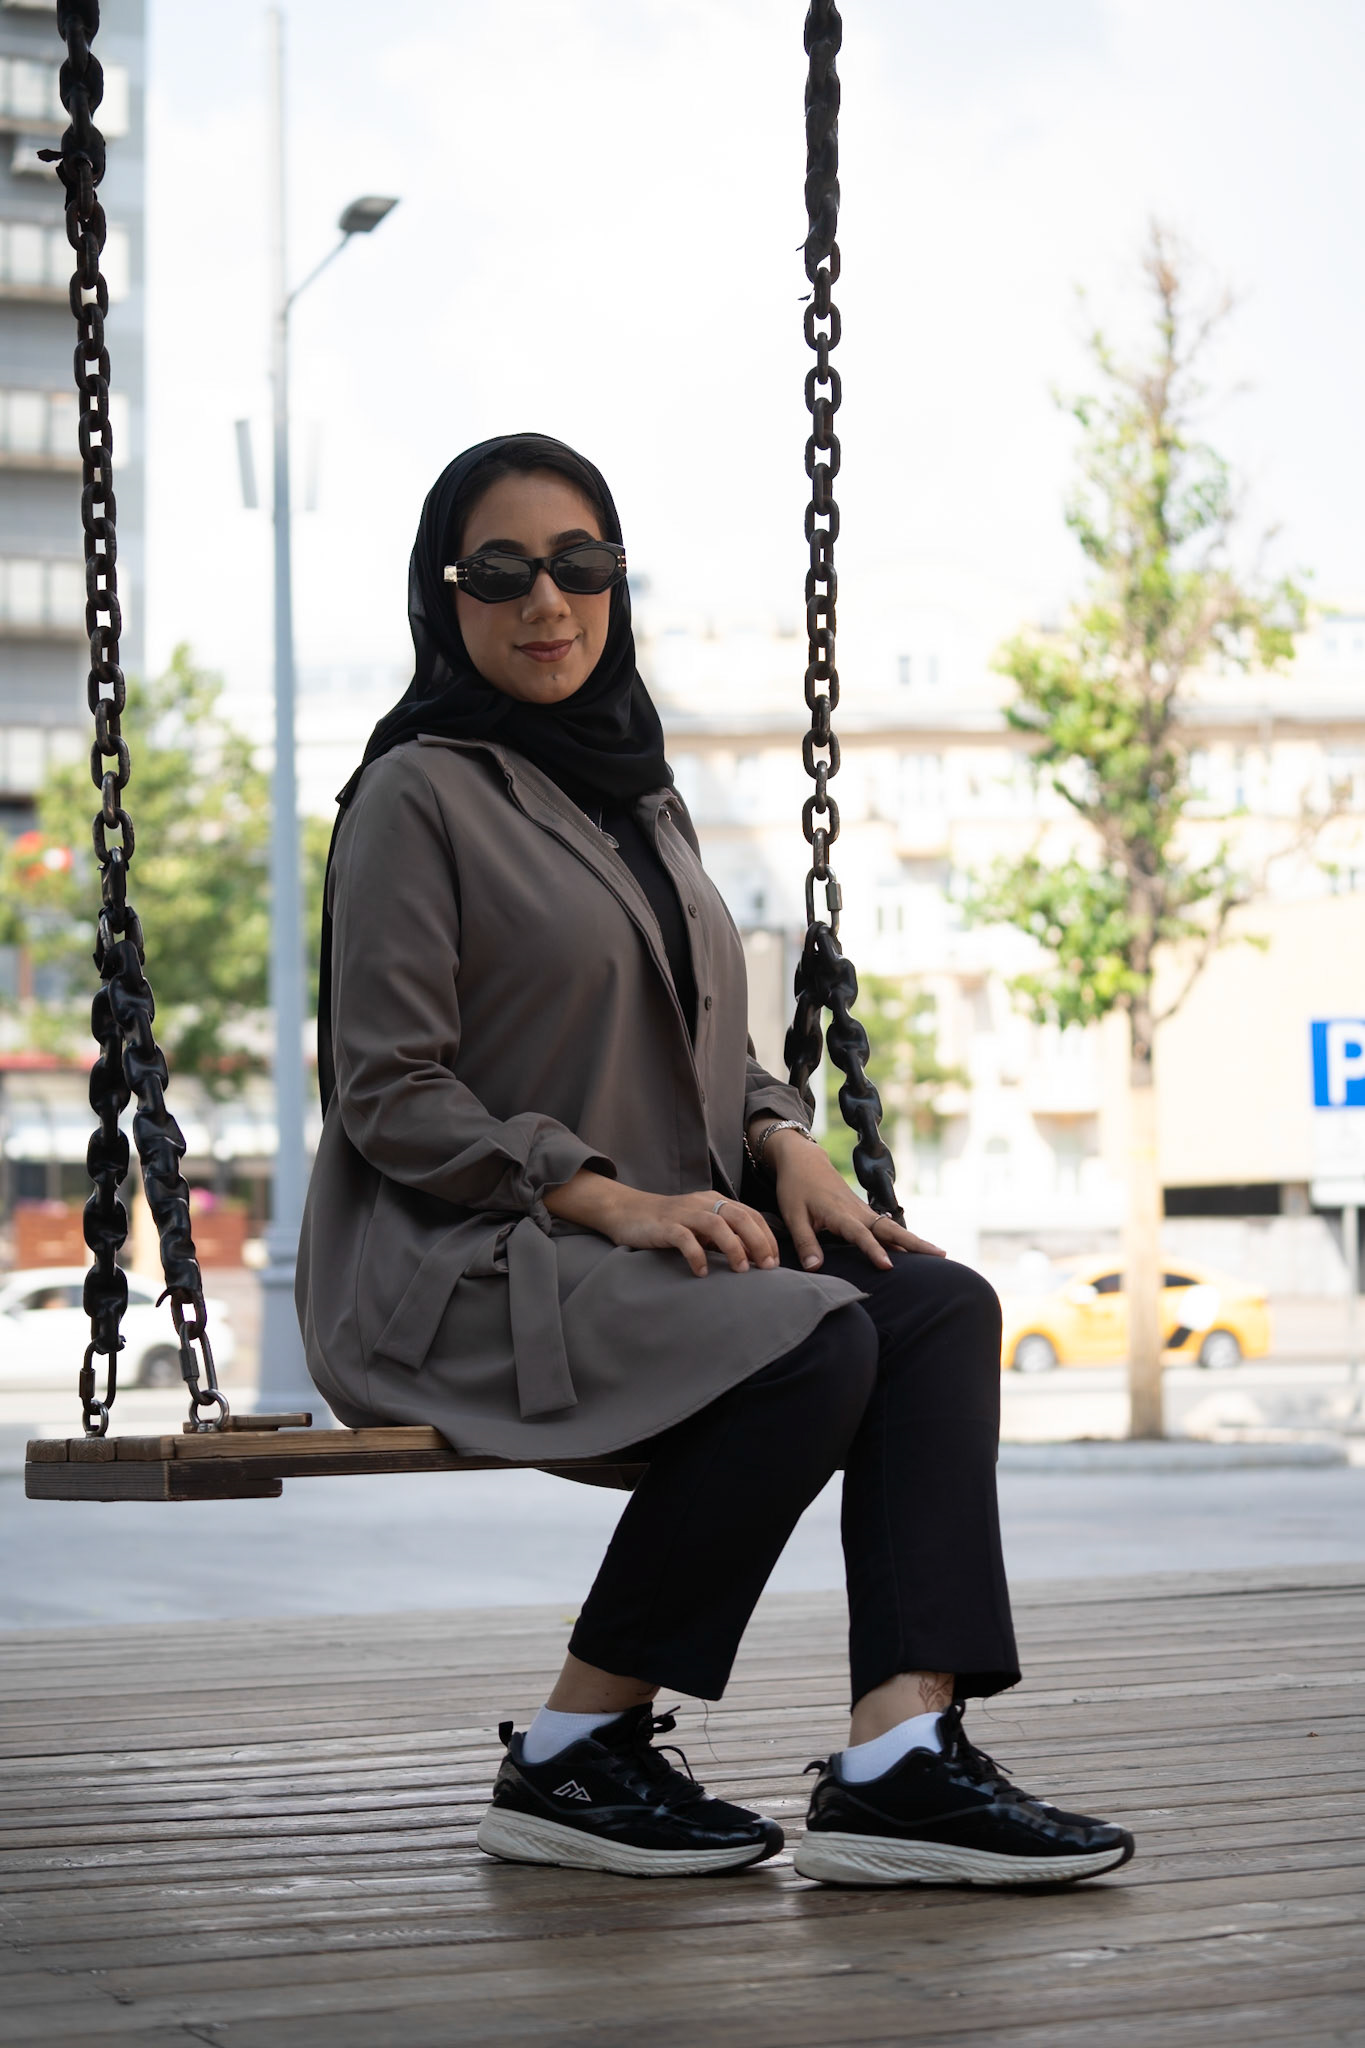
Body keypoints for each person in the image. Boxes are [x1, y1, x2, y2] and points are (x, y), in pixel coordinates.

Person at [299, 432, 1134, 1889]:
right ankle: (576, 1748)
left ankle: (899, 1759)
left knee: (935, 1309)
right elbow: (388, 1089)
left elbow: (711, 1044)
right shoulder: (413, 797)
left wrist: (779, 1138)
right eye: (502, 571)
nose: (547, 601)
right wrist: (606, 1194)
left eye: (580, 565)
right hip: (467, 1263)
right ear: (444, 594)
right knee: (811, 1338)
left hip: (647, 1248)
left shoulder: (642, 801)